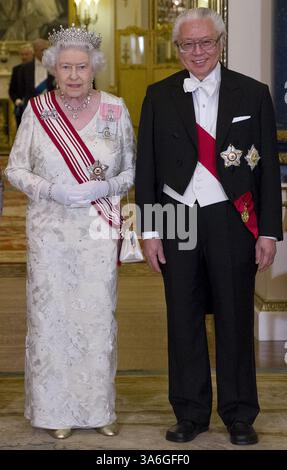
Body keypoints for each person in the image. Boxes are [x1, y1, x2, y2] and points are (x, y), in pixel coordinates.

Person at [135, 7, 282, 445]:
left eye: (205, 43)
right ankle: (190, 412)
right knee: (182, 318)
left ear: (220, 45)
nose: (197, 52)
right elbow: (148, 169)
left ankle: (239, 414)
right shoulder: (158, 95)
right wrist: (149, 230)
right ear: (177, 49)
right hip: (177, 214)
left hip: (229, 217)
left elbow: (268, 171)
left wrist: (269, 231)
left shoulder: (252, 93)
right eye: (188, 44)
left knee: (235, 318)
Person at [5, 25, 135, 439]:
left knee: (97, 317)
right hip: (50, 231)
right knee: (53, 319)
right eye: (66, 67)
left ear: (94, 68)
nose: (75, 75)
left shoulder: (115, 109)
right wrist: (50, 189)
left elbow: (131, 170)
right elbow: (14, 169)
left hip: (98, 228)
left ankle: (99, 409)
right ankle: (54, 409)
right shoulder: (38, 109)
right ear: (54, 70)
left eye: (82, 67)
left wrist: (107, 186)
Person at [19, 39, 56, 112]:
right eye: (42, 50)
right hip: (31, 107)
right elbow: (21, 89)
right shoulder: (24, 68)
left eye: (47, 49)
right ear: (35, 51)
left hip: (50, 106)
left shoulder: (55, 66)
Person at [9, 44, 34, 127]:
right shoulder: (16, 69)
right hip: (21, 108)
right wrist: (17, 100)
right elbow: (12, 90)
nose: (24, 57)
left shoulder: (38, 69)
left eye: (26, 54)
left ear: (32, 54)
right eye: (22, 54)